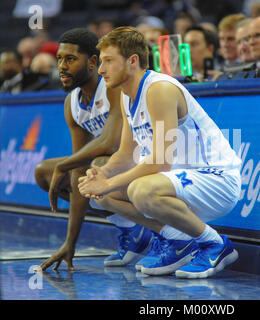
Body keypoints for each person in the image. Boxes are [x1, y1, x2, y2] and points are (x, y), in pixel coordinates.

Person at [78, 26, 241, 279]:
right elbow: (125, 153)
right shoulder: (125, 95)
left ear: (132, 61)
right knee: (101, 196)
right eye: (101, 62)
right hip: (180, 181)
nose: (100, 70)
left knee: (140, 189)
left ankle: (215, 245)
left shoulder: (159, 89)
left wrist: (108, 182)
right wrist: (100, 176)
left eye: (108, 61)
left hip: (215, 178)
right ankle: (179, 241)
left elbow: (160, 161)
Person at [36, 28, 152, 271]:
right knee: (45, 172)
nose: (62, 66)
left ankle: (145, 227)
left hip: (147, 159)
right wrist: (71, 243)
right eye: (59, 59)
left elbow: (111, 143)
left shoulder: (111, 86)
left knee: (97, 166)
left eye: (70, 59)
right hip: (113, 168)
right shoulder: (72, 104)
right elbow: (79, 166)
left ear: (92, 62)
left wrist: (64, 165)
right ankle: (130, 228)